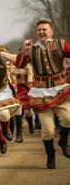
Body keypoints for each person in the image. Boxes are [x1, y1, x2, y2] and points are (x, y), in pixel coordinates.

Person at [15, 20, 70, 169]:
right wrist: (23, 50)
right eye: (39, 30)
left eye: (44, 29)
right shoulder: (31, 49)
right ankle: (50, 154)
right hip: (40, 94)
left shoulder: (61, 44)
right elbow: (19, 65)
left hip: (60, 90)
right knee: (48, 130)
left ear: (51, 31)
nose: (41, 32)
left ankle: (63, 141)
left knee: (68, 118)